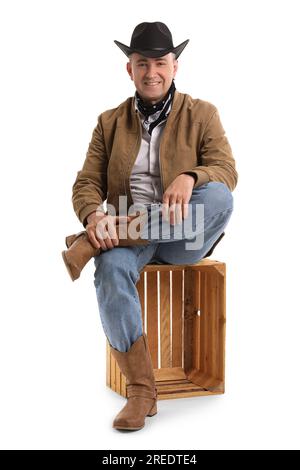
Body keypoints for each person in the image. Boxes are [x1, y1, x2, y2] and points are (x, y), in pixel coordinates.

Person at [64, 21, 238, 431]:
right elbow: (86, 182)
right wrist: (94, 216)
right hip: (128, 231)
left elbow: (227, 170)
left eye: (160, 62)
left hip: (182, 232)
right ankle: (142, 392)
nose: (151, 72)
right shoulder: (108, 122)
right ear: (130, 69)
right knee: (110, 269)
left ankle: (97, 241)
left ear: (175, 67)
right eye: (142, 63)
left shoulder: (203, 114)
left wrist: (192, 176)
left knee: (220, 198)